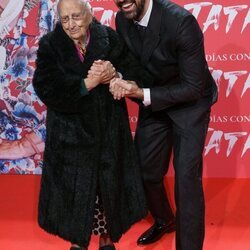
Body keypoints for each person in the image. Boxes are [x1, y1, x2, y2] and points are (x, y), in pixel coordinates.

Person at [33, 0, 152, 249]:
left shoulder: (109, 38)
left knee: (106, 192)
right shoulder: (49, 45)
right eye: (64, 19)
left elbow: (137, 74)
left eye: (75, 17)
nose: (70, 24)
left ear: (89, 15)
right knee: (74, 199)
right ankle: (78, 241)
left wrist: (115, 75)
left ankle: (107, 239)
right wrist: (86, 84)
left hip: (109, 134)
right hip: (70, 139)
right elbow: (45, 87)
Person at [109, 0, 218, 249]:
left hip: (190, 104)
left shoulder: (181, 22)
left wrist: (143, 93)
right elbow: (133, 64)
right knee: (145, 171)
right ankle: (164, 220)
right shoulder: (122, 19)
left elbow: (193, 86)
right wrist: (117, 77)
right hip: (154, 97)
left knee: (186, 181)